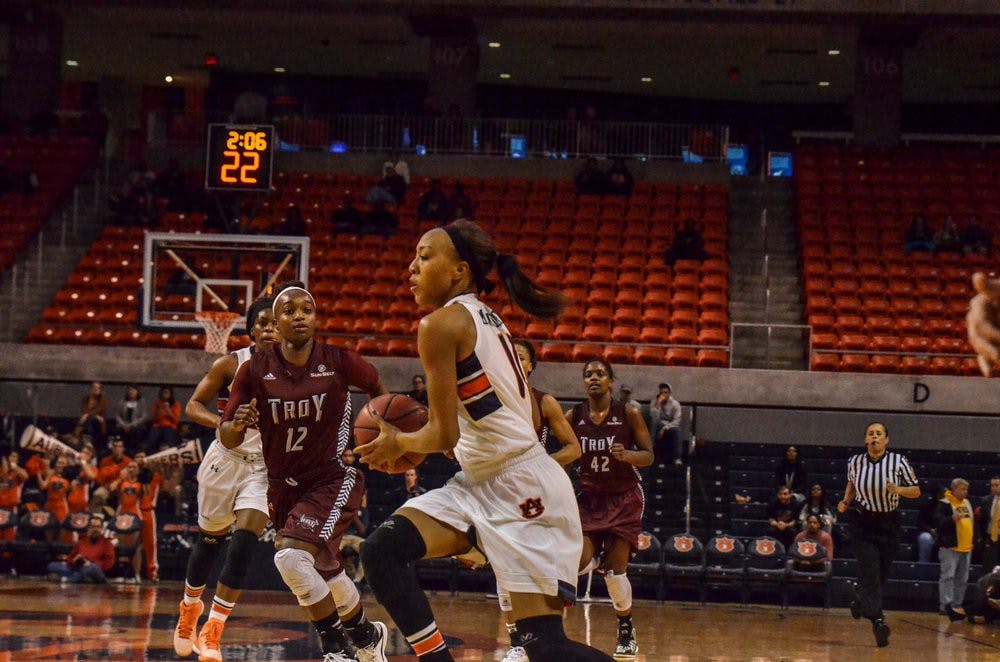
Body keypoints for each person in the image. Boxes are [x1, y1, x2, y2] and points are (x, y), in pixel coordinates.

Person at [356, 219, 615, 661]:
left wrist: (399, 442)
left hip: (521, 488)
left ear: (459, 271)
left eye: (424, 257)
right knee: (381, 550)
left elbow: (443, 433)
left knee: (544, 648)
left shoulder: (439, 324)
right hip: (479, 481)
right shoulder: (485, 317)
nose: (411, 268)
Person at [220, 281, 390, 661]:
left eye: (306, 310)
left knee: (290, 559)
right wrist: (236, 423)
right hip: (281, 487)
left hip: (331, 478)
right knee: (325, 568)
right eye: (289, 311)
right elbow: (227, 435)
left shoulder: (338, 361)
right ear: (275, 322)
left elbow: (377, 386)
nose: (299, 316)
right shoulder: (253, 370)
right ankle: (367, 636)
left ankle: (336, 649)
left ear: (315, 318)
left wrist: (384, 432)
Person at [174, 296, 280, 660]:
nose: (270, 329)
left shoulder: (298, 372)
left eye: (276, 323)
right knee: (209, 542)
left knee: (245, 542)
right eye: (263, 323)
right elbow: (192, 406)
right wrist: (224, 423)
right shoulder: (230, 363)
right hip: (225, 459)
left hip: (264, 467)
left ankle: (213, 629)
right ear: (251, 330)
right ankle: (190, 608)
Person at [499, 339, 582, 661]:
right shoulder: (489, 399)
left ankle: (544, 638)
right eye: (509, 356)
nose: (514, 361)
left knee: (532, 566)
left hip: (536, 495)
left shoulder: (543, 401)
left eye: (520, 357)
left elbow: (573, 448)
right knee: (503, 568)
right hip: (499, 491)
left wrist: (542, 464)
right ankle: (517, 641)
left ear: (531, 365)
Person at [568, 358, 654, 659]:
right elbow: (562, 450)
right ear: (583, 382)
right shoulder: (573, 416)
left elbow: (649, 456)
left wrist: (628, 455)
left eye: (600, 374)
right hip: (590, 500)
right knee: (576, 562)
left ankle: (626, 629)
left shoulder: (628, 413)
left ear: (610, 381)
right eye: (588, 374)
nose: (594, 378)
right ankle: (594, 559)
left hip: (624, 499)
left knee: (616, 573)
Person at [837, 422, 920, 648]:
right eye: (871, 434)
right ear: (866, 439)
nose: (874, 437)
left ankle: (860, 597)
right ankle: (878, 621)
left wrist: (899, 489)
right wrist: (845, 501)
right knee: (871, 571)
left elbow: (916, 490)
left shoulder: (899, 461)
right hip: (863, 523)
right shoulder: (855, 461)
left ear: (886, 440)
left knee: (881, 573)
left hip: (889, 523)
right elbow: (852, 484)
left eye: (879, 434)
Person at [934, 477, 976, 621]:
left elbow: (971, 522)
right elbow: (938, 522)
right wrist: (951, 519)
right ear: (954, 489)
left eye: (966, 489)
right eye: (963, 489)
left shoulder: (967, 503)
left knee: (962, 579)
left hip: (966, 547)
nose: (965, 492)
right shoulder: (944, 503)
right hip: (950, 547)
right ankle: (945, 606)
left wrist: (973, 540)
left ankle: (957, 605)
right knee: (948, 577)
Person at [45, 515, 115, 584]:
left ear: (102, 529)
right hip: (78, 568)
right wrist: (74, 560)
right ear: (88, 528)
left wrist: (89, 563)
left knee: (92, 568)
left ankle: (65, 579)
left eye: (98, 527)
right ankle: (83, 579)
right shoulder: (82, 542)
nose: (95, 529)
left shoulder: (107, 543)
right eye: (92, 527)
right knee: (52, 565)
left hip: (96, 571)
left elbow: (109, 563)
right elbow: (70, 558)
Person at [967, 272, 1000, 377]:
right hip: (983, 335)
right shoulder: (980, 303)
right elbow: (983, 328)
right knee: (994, 352)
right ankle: (986, 357)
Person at [649, 383, 683, 466]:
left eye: (665, 392)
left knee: (677, 431)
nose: (663, 395)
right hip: (658, 425)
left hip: (670, 426)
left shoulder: (675, 404)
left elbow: (677, 421)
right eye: (661, 393)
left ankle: (677, 459)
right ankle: (649, 450)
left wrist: (665, 428)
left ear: (669, 394)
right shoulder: (654, 402)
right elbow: (653, 417)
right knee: (654, 421)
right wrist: (658, 404)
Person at [146, 387, 181, 453]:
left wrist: (168, 411)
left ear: (171, 394)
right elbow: (153, 419)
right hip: (158, 426)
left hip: (170, 426)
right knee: (152, 438)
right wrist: (158, 413)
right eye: (164, 392)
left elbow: (176, 420)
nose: (165, 394)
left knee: (169, 436)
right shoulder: (157, 404)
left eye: (167, 393)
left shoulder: (176, 404)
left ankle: (170, 453)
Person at [115, 385, 149, 452]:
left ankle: (133, 451)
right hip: (124, 425)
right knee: (118, 431)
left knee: (136, 432)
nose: (131, 392)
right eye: (130, 390)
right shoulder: (123, 401)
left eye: (133, 390)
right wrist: (124, 425)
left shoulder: (141, 402)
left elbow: (144, 417)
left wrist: (131, 425)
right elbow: (118, 415)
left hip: (136, 425)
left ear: (137, 392)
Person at [916, 483, 944, 563]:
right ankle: (923, 562)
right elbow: (920, 522)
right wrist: (930, 530)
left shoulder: (949, 506)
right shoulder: (927, 505)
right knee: (925, 538)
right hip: (929, 532)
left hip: (944, 534)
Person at [977, 476, 1000, 573]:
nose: (993, 488)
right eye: (992, 485)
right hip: (990, 539)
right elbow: (981, 522)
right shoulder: (986, 500)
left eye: (996, 485)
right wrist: (982, 540)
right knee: (988, 571)